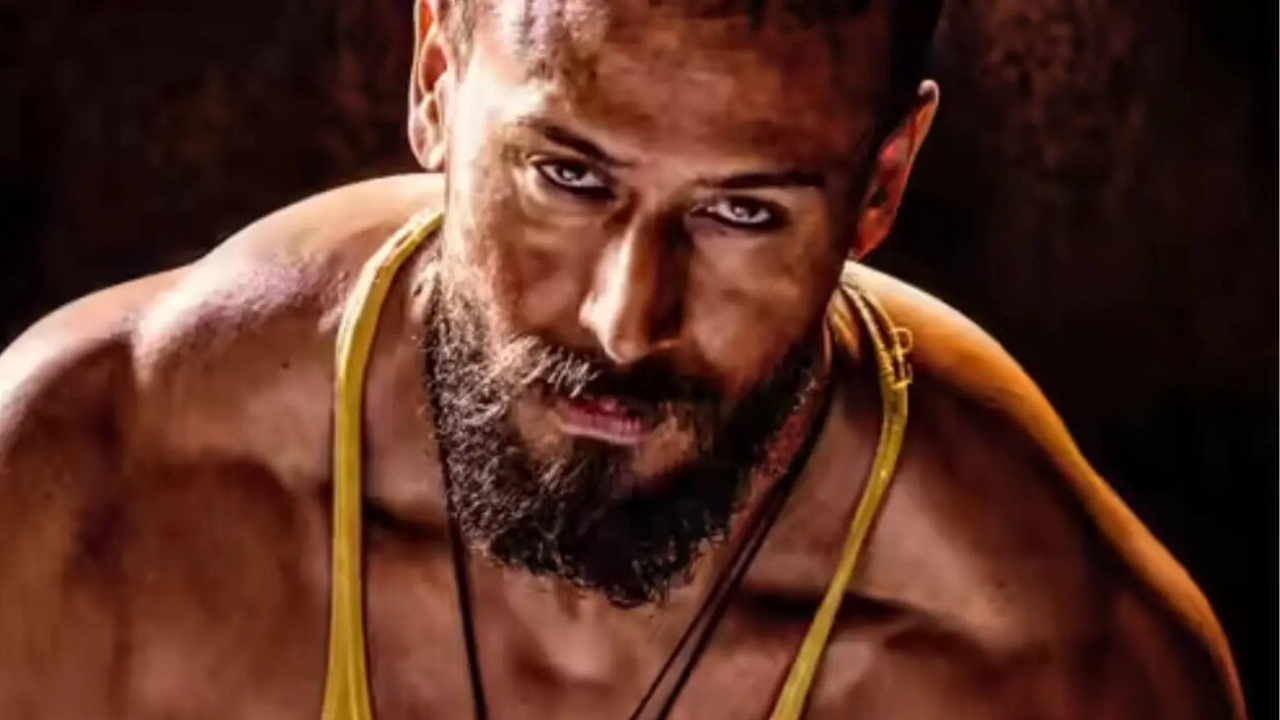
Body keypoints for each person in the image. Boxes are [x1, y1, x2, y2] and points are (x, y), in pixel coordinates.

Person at [0, 0, 1245, 718]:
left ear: (881, 184)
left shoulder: (1054, 671)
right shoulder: (81, 495)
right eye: (566, 176)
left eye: (741, 212)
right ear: (436, 76)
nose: (623, 321)